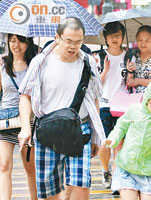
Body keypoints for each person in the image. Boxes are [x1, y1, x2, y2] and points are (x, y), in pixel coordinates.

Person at [17, 17, 105, 200]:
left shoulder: (88, 62)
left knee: (81, 184)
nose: (73, 47)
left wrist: (96, 136)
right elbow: (25, 95)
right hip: (48, 132)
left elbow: (94, 99)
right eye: (69, 41)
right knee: (50, 192)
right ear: (57, 37)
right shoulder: (40, 62)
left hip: (79, 129)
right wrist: (25, 127)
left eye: (79, 42)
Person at [0, 34, 38, 200]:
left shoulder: (34, 65)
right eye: (12, 40)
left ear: (28, 42)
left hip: (28, 122)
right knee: (3, 166)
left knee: (30, 169)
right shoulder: (2, 64)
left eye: (20, 41)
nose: (16, 45)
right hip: (5, 121)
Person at [93, 21, 127, 190]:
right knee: (105, 143)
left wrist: (132, 71)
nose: (115, 38)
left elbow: (129, 82)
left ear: (122, 37)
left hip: (122, 105)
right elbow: (95, 84)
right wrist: (105, 70)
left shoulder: (128, 56)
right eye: (111, 35)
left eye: (118, 35)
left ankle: (118, 178)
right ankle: (106, 171)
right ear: (105, 38)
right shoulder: (98, 56)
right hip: (104, 105)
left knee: (119, 143)